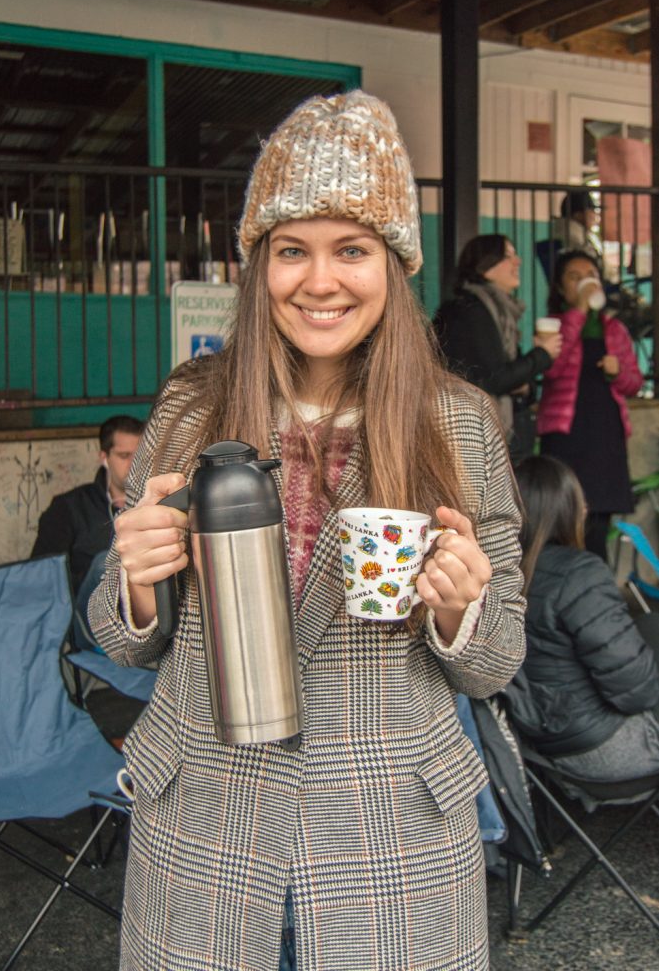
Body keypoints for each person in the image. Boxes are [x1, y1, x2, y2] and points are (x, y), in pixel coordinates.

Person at [89, 90, 526, 971]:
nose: (319, 281)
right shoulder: (188, 409)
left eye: (351, 250)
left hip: (390, 838)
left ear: (394, 266)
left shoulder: (459, 424)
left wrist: (457, 610)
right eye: (291, 250)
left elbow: (497, 660)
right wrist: (134, 581)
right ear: (258, 266)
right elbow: (120, 641)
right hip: (205, 829)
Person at [511, 455, 659, 781]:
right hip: (604, 747)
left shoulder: (497, 575)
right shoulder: (579, 573)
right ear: (569, 508)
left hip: (537, 747)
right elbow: (638, 691)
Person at [537, 249, 643, 560]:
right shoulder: (553, 325)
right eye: (575, 277)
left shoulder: (615, 329)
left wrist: (618, 372)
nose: (586, 282)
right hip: (566, 439)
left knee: (597, 526)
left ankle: (594, 594)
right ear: (560, 288)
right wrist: (579, 313)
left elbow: (634, 383)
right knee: (560, 518)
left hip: (605, 438)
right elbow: (551, 368)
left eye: (591, 276)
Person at [434, 234, 561, 465]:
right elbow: (493, 379)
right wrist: (542, 355)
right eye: (508, 256)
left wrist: (525, 384)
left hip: (502, 437)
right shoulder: (470, 311)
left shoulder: (500, 313)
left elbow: (511, 378)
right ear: (486, 266)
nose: (518, 262)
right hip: (474, 439)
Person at [31, 414, 144, 594]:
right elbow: (42, 575)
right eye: (124, 456)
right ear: (104, 457)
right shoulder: (68, 507)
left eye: (140, 456)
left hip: (143, 605)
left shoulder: (155, 504)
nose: (134, 465)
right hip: (85, 608)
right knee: (105, 563)